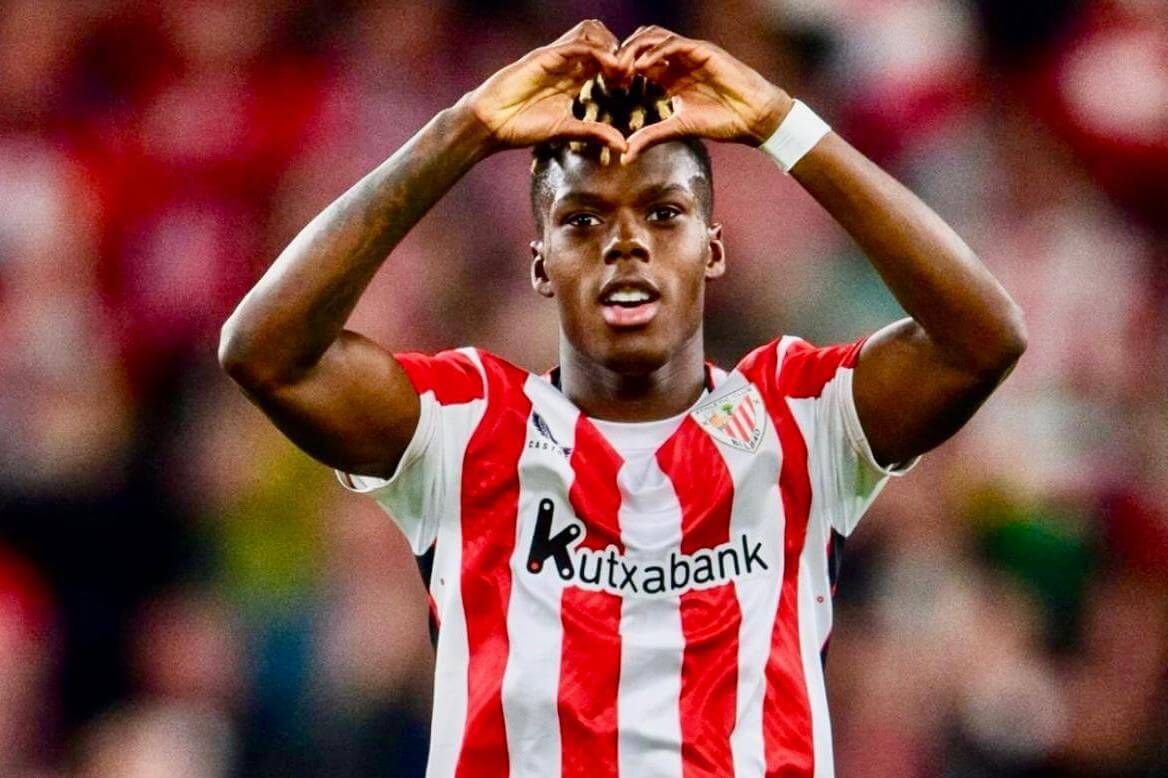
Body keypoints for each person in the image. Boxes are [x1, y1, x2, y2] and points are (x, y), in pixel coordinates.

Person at [219, 20, 1026, 778]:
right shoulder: (465, 427)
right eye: (582, 220)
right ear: (540, 264)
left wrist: (780, 123)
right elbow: (266, 354)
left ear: (712, 248)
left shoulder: (800, 416)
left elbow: (983, 339)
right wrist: (463, 130)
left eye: (664, 213)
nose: (626, 242)